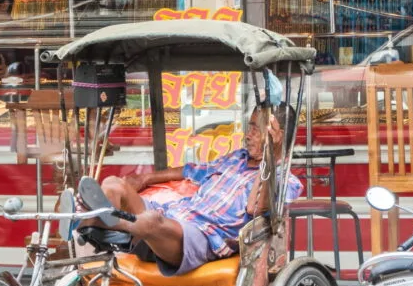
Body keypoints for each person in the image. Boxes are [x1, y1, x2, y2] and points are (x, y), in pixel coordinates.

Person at [80, 102, 303, 276]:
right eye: (250, 126)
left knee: (151, 220)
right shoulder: (236, 158)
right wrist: (145, 177)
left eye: (256, 129)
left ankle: (94, 223)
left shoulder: (287, 180)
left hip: (201, 236)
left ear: (277, 135)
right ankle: (109, 227)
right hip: (175, 213)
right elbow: (190, 170)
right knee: (113, 184)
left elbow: (255, 206)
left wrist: (270, 157)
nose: (248, 134)